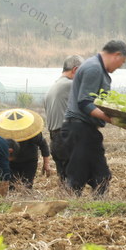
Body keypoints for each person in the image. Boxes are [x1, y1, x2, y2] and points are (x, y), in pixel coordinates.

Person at [59, 40, 126, 195]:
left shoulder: (97, 68)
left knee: (101, 174)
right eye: (122, 62)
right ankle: (69, 210)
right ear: (116, 55)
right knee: (77, 176)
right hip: (79, 129)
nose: (119, 67)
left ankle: (98, 209)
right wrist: (110, 118)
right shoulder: (94, 69)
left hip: (86, 130)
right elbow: (84, 102)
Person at [44, 55, 82, 183]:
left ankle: (68, 201)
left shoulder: (52, 88)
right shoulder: (69, 85)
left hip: (56, 139)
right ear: (75, 70)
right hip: (67, 138)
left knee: (65, 178)